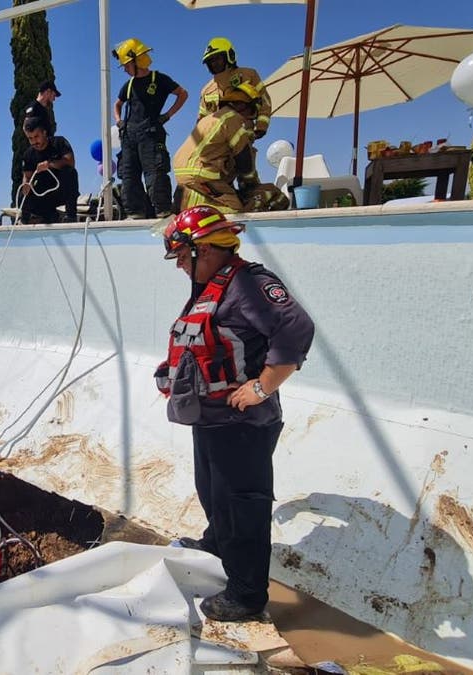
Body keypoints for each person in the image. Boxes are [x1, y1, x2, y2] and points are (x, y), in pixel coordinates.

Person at [155, 205, 314, 622]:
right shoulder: (212, 285)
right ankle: (218, 544)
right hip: (209, 418)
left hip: (242, 423)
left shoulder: (248, 283)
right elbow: (203, 338)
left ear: (205, 249)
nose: (180, 267)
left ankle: (246, 594)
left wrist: (262, 387)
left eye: (183, 258)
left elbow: (295, 328)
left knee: (242, 504)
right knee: (212, 490)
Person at [172, 38, 288, 214]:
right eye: (210, 61)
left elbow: (263, 101)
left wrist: (261, 126)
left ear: (230, 56)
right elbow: (202, 119)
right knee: (225, 184)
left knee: (245, 177)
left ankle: (249, 200)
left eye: (217, 59)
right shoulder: (207, 90)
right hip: (216, 148)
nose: (214, 63)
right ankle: (239, 205)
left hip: (242, 140)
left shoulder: (248, 75)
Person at [112, 38, 187, 219]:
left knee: (155, 174)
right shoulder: (128, 85)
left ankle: (163, 212)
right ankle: (134, 214)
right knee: (129, 176)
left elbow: (182, 94)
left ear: (137, 60)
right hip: (129, 136)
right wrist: (119, 121)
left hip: (151, 134)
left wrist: (167, 116)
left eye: (127, 65)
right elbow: (117, 104)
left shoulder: (159, 80)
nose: (125, 69)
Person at [20, 118, 76, 225]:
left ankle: (71, 216)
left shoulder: (59, 143)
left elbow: (70, 162)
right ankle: (25, 220)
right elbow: (27, 176)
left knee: (70, 173)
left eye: (36, 136)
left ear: (44, 133)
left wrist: (50, 164)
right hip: (42, 195)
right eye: (30, 138)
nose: (34, 141)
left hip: (61, 191)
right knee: (23, 191)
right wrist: (26, 184)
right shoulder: (28, 154)